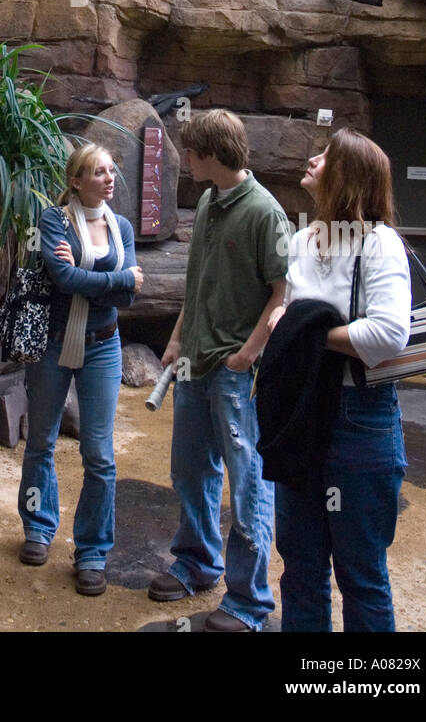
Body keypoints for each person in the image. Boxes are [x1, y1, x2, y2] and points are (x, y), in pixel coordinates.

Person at [148, 109, 290, 632]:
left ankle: (250, 600)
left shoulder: (265, 212)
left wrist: (246, 355)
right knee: (190, 469)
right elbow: (198, 282)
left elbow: (282, 295)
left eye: (190, 152)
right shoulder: (208, 201)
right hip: (193, 362)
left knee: (248, 479)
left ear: (210, 154)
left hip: (235, 371)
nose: (186, 160)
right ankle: (197, 562)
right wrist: (177, 337)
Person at [266, 128, 411, 632]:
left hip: (358, 419)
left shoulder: (379, 243)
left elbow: (390, 333)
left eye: (326, 156)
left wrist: (306, 333)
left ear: (348, 177)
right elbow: (291, 309)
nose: (312, 158)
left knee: (361, 573)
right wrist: (286, 321)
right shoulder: (305, 238)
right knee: (301, 567)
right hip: (302, 412)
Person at [17, 143, 143, 595]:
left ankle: (92, 551)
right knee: (41, 440)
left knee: (100, 454)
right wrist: (119, 279)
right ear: (75, 180)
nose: (109, 178)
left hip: (103, 346)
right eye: (97, 172)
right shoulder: (54, 221)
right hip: (53, 344)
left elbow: (127, 300)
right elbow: (66, 280)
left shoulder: (121, 227)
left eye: (111, 170)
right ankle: (38, 527)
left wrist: (109, 285)